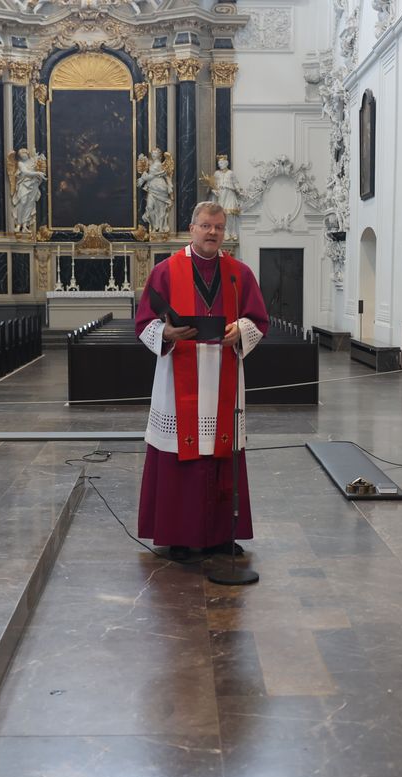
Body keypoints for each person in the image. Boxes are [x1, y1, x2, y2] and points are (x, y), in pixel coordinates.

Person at [135, 201, 270, 561]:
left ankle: (221, 536)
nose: (213, 233)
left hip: (223, 375)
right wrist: (167, 332)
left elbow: (258, 319)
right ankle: (178, 536)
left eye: (219, 227)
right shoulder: (166, 270)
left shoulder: (238, 273)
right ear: (191, 228)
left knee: (222, 458)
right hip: (177, 379)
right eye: (206, 226)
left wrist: (239, 330)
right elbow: (143, 323)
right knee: (179, 457)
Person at [137, 148, 173, 234]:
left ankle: (160, 227)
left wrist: (142, 179)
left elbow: (153, 175)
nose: (153, 155)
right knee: (149, 207)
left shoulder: (159, 165)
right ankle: (155, 225)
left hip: (160, 187)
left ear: (159, 155)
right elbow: (149, 174)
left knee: (161, 209)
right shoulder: (152, 164)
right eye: (152, 154)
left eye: (155, 153)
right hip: (152, 188)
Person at [10, 149, 45, 234]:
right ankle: (18, 224)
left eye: (24, 153)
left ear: (27, 154)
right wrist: (38, 173)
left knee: (30, 204)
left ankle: (25, 224)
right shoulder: (20, 163)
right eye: (21, 154)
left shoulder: (33, 161)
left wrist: (39, 169)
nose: (23, 155)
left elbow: (40, 166)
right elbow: (25, 172)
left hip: (33, 184)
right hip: (24, 185)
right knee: (23, 201)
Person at [208, 155, 243, 240]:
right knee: (222, 214)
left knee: (230, 213)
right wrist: (214, 190)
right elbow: (213, 185)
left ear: (226, 163)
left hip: (230, 193)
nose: (220, 164)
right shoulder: (216, 173)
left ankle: (233, 232)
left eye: (222, 163)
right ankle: (226, 232)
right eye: (219, 163)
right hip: (220, 195)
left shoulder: (230, 173)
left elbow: (236, 183)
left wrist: (239, 191)